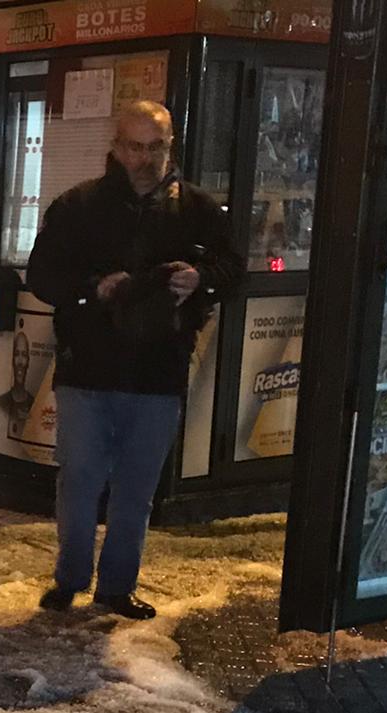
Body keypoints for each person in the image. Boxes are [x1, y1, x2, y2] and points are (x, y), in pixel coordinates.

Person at [26, 101, 245, 620]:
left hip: (159, 372)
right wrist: (94, 289)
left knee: (136, 491)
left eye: (156, 147)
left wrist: (202, 279)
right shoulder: (77, 207)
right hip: (88, 369)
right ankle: (71, 580)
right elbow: (42, 277)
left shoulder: (198, 209)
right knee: (79, 481)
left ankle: (115, 588)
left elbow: (234, 271)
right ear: (115, 144)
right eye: (134, 146)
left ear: (171, 146)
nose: (144, 158)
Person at [0, 330, 37, 439]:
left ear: (28, 361)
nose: (20, 362)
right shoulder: (1, 402)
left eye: (24, 355)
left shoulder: (35, 405)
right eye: (17, 354)